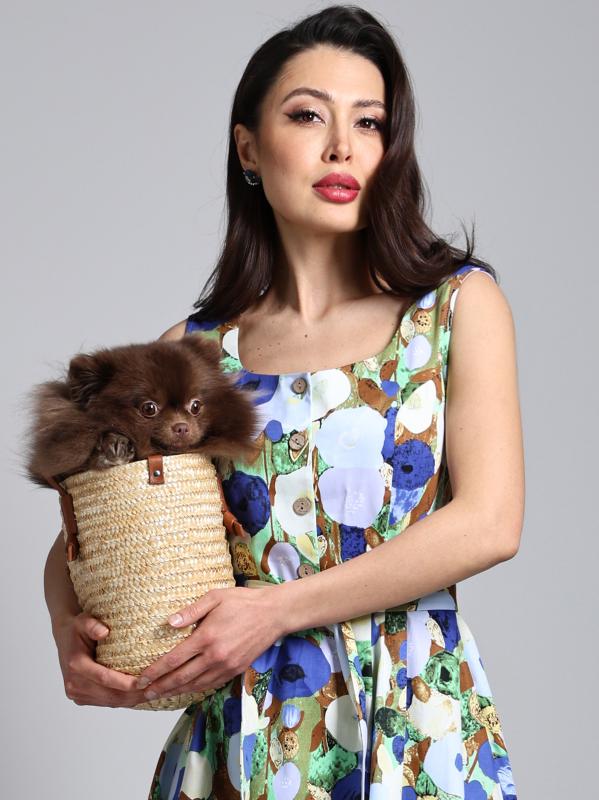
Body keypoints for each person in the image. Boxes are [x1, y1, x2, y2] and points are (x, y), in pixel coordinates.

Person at [44, 5, 523, 799]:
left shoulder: (454, 307)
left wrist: (274, 611)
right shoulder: (196, 354)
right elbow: (94, 526)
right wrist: (69, 627)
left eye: (368, 122)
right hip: (240, 741)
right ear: (248, 148)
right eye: (307, 115)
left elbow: (489, 522)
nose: (342, 147)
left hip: (412, 730)